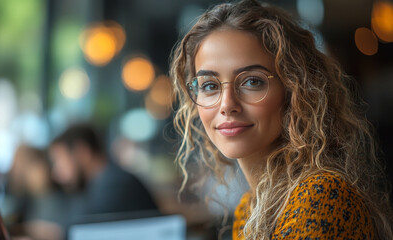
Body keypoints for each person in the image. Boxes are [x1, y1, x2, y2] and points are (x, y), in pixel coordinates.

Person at [169, 0, 393, 239]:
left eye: (252, 81)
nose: (227, 105)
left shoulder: (319, 196)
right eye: (210, 86)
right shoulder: (250, 206)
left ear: (295, 91)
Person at [48, 123, 158, 223]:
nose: (56, 173)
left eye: (60, 161)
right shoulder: (100, 184)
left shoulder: (116, 185)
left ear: (82, 152)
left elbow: (84, 227)